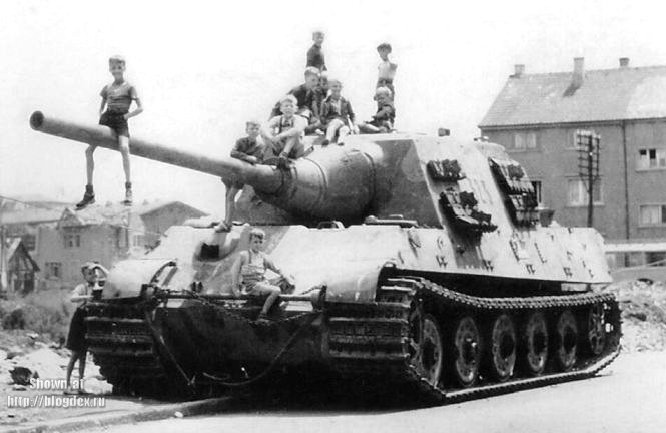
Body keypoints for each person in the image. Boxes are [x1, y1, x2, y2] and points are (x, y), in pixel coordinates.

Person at [76, 55, 143, 210]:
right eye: (113, 67)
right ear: (109, 69)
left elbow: (140, 108)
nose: (116, 70)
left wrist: (126, 116)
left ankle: (128, 189)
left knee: (124, 148)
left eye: (119, 67)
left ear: (124, 68)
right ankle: (89, 192)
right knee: (88, 150)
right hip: (107, 118)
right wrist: (101, 115)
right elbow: (101, 105)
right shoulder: (107, 88)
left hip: (121, 119)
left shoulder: (130, 87)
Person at [64, 262, 108, 395]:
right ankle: (67, 386)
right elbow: (73, 298)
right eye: (90, 273)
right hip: (80, 320)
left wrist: (99, 267)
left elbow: (111, 277)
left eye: (95, 273)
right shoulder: (82, 287)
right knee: (75, 355)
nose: (93, 275)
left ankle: (80, 386)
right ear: (84, 276)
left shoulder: (100, 285)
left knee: (83, 356)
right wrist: (87, 297)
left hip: (90, 321)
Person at [230, 228, 290, 321]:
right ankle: (263, 313)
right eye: (255, 242)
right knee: (276, 290)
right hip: (251, 286)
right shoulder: (244, 255)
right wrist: (235, 289)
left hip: (261, 284)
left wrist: (285, 276)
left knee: (284, 281)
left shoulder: (263, 257)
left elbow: (277, 268)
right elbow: (234, 271)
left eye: (260, 242)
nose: (258, 244)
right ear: (250, 242)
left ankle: (278, 305)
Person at [216, 120, 265, 233]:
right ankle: (227, 220)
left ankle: (227, 224)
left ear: (259, 131)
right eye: (252, 128)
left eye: (257, 129)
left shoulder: (260, 145)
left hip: (242, 174)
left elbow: (257, 159)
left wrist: (246, 158)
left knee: (230, 197)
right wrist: (247, 157)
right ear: (247, 130)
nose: (254, 131)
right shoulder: (240, 141)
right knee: (228, 197)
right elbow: (233, 153)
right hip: (232, 173)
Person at [270, 67, 321, 134]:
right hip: (291, 114)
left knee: (314, 118)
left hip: (303, 115)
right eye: (313, 80)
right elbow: (280, 104)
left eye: (317, 80)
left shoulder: (312, 92)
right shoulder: (297, 91)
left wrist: (317, 118)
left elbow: (313, 107)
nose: (315, 83)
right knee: (304, 112)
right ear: (306, 78)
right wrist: (271, 120)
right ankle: (302, 129)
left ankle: (308, 128)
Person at [261, 95, 308, 169]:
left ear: (296, 109)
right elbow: (264, 128)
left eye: (291, 106)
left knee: (293, 133)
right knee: (266, 132)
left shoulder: (298, 119)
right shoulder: (277, 119)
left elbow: (297, 129)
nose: (288, 108)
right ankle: (268, 156)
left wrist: (280, 136)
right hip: (281, 147)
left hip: (295, 148)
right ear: (281, 109)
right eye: (286, 106)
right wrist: (271, 137)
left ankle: (284, 155)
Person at [320, 79, 356, 145]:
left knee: (345, 128)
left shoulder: (345, 101)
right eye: (334, 86)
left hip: (343, 122)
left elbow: (352, 114)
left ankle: (340, 140)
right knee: (338, 124)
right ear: (330, 88)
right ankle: (328, 139)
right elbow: (322, 116)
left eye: (339, 86)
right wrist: (325, 123)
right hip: (330, 125)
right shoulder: (325, 102)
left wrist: (354, 125)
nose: (337, 88)